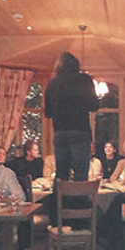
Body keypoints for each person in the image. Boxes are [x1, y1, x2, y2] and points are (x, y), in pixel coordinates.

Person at [44, 52, 99, 182]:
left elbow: (48, 113)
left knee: (61, 174)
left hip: (60, 132)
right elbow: (94, 105)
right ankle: (79, 195)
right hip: (80, 130)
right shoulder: (84, 80)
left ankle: (61, 195)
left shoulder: (52, 83)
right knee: (81, 173)